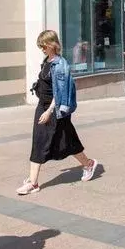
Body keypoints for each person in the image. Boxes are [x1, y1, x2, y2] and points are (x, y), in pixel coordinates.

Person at [17, 30, 98, 195]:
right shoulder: (47, 60)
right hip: (43, 106)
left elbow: (60, 92)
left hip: (55, 109)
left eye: (43, 46)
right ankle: (34, 181)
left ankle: (33, 182)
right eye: (40, 47)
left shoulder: (60, 64)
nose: (42, 49)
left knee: (63, 141)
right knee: (47, 140)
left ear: (52, 44)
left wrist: (49, 111)